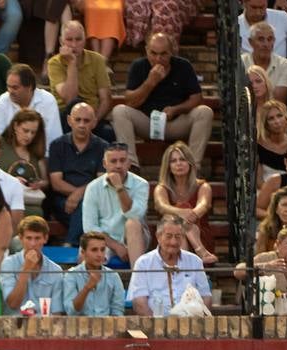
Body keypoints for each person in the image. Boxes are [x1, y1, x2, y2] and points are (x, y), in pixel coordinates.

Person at [111, 32, 213, 171]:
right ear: (147, 51)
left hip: (175, 123)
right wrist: (150, 82)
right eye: (153, 53)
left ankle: (194, 167)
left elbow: (196, 98)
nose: (158, 58)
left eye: (163, 54)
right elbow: (130, 102)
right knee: (119, 111)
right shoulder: (138, 66)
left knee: (205, 112)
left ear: (171, 52)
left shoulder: (183, 66)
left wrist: (176, 109)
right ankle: (132, 166)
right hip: (147, 122)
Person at [126, 214, 211, 316]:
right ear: (158, 237)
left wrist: (195, 323)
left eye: (178, 237)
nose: (173, 242)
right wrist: (157, 326)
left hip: (190, 325)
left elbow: (206, 296)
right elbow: (139, 302)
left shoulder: (195, 262)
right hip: (155, 325)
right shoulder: (143, 263)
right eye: (169, 236)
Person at [45, 103, 105, 246]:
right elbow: (56, 182)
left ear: (94, 122)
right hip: (62, 201)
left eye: (86, 121)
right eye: (77, 120)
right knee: (85, 210)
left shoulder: (103, 147)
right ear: (69, 120)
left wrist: (79, 194)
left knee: (85, 206)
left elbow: (101, 180)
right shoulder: (57, 145)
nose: (82, 124)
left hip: (93, 200)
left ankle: (70, 243)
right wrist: (76, 194)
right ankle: (76, 244)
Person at [81, 142, 148, 266]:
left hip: (133, 237)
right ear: (104, 164)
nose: (118, 165)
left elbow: (134, 215)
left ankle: (138, 279)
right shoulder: (93, 187)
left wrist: (120, 188)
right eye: (113, 161)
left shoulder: (141, 184)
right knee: (85, 250)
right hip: (104, 239)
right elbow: (89, 227)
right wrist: (116, 246)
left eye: (122, 161)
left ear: (129, 163)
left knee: (132, 223)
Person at [154, 142, 217, 265]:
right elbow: (161, 206)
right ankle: (200, 252)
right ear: (168, 166)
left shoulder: (202, 186)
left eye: (182, 159)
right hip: (169, 239)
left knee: (179, 214)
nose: (178, 164)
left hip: (200, 234)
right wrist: (182, 212)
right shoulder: (162, 188)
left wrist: (191, 214)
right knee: (173, 218)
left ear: (190, 163)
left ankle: (185, 262)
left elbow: (203, 205)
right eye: (173, 161)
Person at [235, 224, 287, 315]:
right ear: (278, 244)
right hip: (267, 317)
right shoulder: (265, 258)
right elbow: (238, 272)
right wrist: (265, 266)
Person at [48, 20, 111, 129]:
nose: (74, 45)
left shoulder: (97, 60)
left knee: (108, 132)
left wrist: (94, 120)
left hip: (92, 116)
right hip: (66, 116)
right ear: (61, 41)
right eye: (69, 40)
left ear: (85, 40)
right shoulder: (54, 63)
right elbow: (70, 99)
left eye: (78, 39)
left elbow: (105, 99)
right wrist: (72, 63)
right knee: (75, 104)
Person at [0, 216, 61, 314]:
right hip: (15, 324)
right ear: (21, 238)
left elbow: (57, 312)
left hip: (44, 325)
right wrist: (26, 269)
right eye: (29, 238)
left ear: (45, 238)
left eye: (37, 238)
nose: (33, 243)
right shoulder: (9, 264)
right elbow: (13, 304)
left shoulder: (56, 270)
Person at [0, 64, 63, 146]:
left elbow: (53, 137)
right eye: (8, 86)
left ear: (29, 87)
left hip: (40, 155)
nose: (10, 91)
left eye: (15, 87)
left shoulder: (47, 100)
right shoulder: (3, 100)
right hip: (9, 155)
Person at [56, 231, 125, 316]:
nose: (99, 254)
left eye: (102, 250)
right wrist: (87, 288)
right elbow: (71, 311)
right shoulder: (71, 275)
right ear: (83, 252)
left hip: (107, 326)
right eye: (94, 250)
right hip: (79, 327)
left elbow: (118, 311)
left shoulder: (113, 276)